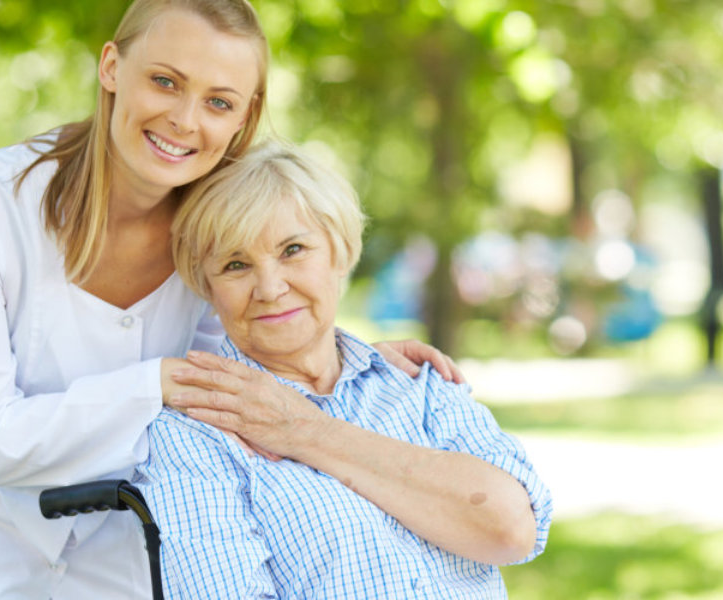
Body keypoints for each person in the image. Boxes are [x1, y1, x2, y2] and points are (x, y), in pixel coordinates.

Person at [0, 2, 457, 597]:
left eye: (218, 102)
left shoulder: (221, 230)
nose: (184, 120)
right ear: (112, 68)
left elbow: (245, 365)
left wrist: (341, 356)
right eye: (165, 82)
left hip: (113, 521)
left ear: (244, 117)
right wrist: (159, 384)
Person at [138, 142, 553, 598]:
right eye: (235, 265)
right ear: (207, 287)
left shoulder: (419, 386)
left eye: (293, 249)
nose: (271, 288)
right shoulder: (195, 434)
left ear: (340, 252)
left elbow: (514, 530)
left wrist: (304, 430)